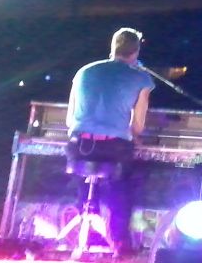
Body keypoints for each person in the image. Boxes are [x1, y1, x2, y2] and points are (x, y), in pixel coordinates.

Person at [65, 27, 155, 256]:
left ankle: (83, 213)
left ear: (113, 47)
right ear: (136, 51)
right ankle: (120, 244)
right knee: (123, 185)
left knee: (84, 179)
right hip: (113, 146)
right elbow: (138, 126)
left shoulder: (84, 71)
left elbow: (69, 119)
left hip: (78, 145)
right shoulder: (142, 78)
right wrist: (132, 134)